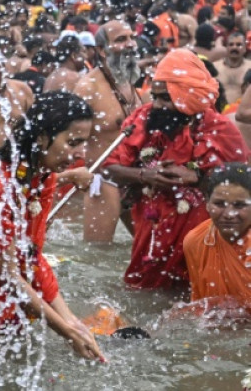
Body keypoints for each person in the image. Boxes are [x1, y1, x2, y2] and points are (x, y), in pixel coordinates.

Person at [0, 91, 103, 359]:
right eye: (73, 142)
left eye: (84, 143)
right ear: (42, 137)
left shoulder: (42, 177)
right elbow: (9, 275)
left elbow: (31, 256)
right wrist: (67, 332)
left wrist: (71, 320)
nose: (80, 153)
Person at [103, 49, 246, 289]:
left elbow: (241, 185)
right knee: (145, 289)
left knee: (201, 292)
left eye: (165, 98)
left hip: (203, 232)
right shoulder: (142, 119)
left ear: (188, 97)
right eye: (155, 96)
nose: (157, 105)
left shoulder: (220, 129)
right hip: (152, 230)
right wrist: (144, 175)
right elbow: (108, 169)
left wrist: (196, 177)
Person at [74, 21, 143, 242]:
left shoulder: (130, 80)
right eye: (121, 40)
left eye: (131, 37)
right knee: (98, 254)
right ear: (102, 51)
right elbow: (71, 139)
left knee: (148, 249)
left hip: (135, 179)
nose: (130, 44)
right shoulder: (88, 88)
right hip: (104, 181)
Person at [182, 162, 251, 306]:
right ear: (207, 203)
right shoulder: (195, 241)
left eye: (239, 205)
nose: (229, 214)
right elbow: (200, 304)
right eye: (219, 204)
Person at [213, 32, 251, 105]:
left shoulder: (250, 67)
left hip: (241, 110)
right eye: (231, 44)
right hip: (219, 109)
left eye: (239, 45)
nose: (234, 47)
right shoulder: (214, 67)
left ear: (244, 48)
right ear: (226, 47)